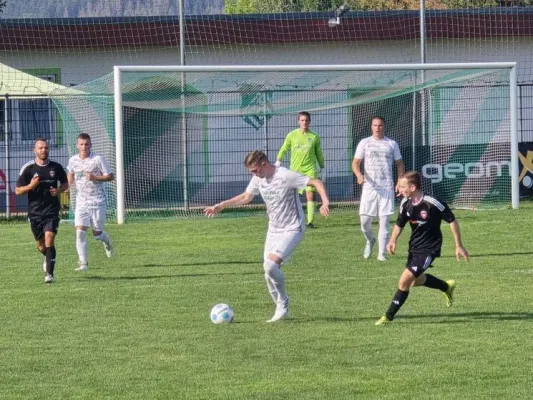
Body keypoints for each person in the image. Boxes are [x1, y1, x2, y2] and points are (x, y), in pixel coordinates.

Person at [204, 151, 330, 322]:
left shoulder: (285, 176)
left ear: (264, 164)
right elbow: (246, 196)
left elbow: (316, 182)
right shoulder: (258, 179)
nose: (253, 174)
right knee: (267, 272)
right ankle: (281, 308)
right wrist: (222, 205)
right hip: (274, 230)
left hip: (292, 228)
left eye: (255, 170)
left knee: (270, 266)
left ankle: (284, 302)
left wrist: (325, 202)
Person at [375, 171, 469, 325]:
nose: (399, 189)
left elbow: (452, 220)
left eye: (402, 186)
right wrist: (392, 240)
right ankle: (446, 287)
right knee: (414, 281)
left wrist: (458, 245)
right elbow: (399, 223)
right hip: (414, 247)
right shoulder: (405, 204)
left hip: (430, 248)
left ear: (412, 187)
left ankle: (387, 317)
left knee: (404, 281)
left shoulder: (432, 203)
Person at [16, 137, 69, 283]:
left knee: (49, 238)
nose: (43, 150)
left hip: (51, 210)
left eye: (45, 147)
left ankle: (49, 275)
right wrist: (31, 186)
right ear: (35, 150)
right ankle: (47, 256)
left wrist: (58, 190)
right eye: (40, 148)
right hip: (34, 212)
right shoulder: (28, 169)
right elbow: (18, 191)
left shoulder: (56, 167)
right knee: (41, 246)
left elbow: (65, 184)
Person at [352, 116, 405, 261]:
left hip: (386, 187)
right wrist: (358, 175)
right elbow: (355, 163)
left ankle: (381, 253)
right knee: (364, 221)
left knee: (384, 220)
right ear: (371, 127)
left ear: (384, 127)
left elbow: (400, 164)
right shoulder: (365, 143)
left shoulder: (391, 144)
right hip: (369, 187)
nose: (377, 128)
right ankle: (370, 240)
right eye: (375, 125)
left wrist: (400, 181)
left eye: (380, 125)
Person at [67, 133, 115, 271]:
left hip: (97, 201)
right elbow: (70, 172)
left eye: (86, 144)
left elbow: (110, 176)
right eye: (81, 144)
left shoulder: (97, 159)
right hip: (81, 202)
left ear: (91, 145)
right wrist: (69, 185)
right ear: (77, 145)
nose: (84, 147)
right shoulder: (73, 160)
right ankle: (83, 263)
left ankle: (107, 242)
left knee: (97, 234)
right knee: (80, 231)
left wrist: (95, 177)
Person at [276, 111, 325, 228]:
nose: (304, 122)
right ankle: (292, 219)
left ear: (310, 121)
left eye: (306, 120)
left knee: (310, 193)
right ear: (298, 121)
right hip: (295, 169)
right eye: (302, 120)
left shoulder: (314, 137)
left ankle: (310, 221)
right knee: (293, 195)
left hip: (310, 169)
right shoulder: (292, 135)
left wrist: (322, 168)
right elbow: (284, 148)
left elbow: (319, 153)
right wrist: (278, 161)